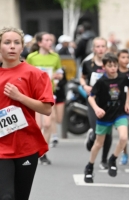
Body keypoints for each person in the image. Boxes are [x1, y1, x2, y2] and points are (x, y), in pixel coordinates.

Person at [0, 27, 54, 200]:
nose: (12, 47)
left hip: (26, 145)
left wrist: (19, 97)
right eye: (7, 42)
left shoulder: (35, 74)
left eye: (16, 43)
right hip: (1, 147)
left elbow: (46, 109)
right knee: (6, 196)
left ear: (22, 47)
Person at [84, 53, 129, 183]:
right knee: (98, 143)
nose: (113, 68)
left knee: (123, 137)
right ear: (104, 67)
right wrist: (96, 109)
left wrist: (127, 103)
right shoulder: (101, 82)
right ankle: (90, 166)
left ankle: (113, 159)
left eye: (115, 65)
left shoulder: (123, 78)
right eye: (110, 66)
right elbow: (91, 97)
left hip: (119, 113)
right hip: (104, 115)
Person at [26, 32, 62, 165]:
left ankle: (43, 153)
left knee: (47, 124)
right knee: (37, 125)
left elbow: (60, 72)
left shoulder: (55, 57)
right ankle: (32, 150)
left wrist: (58, 76)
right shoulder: (31, 57)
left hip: (49, 93)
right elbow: (26, 73)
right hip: (34, 94)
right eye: (46, 40)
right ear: (40, 43)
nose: (49, 42)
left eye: (50, 40)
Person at [80, 37, 113, 170]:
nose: (100, 49)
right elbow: (82, 77)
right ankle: (92, 136)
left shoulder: (111, 63)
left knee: (108, 132)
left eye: (102, 46)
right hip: (93, 101)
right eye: (97, 46)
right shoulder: (87, 63)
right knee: (98, 130)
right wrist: (84, 86)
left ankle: (104, 160)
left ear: (106, 48)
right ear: (93, 48)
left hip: (109, 102)